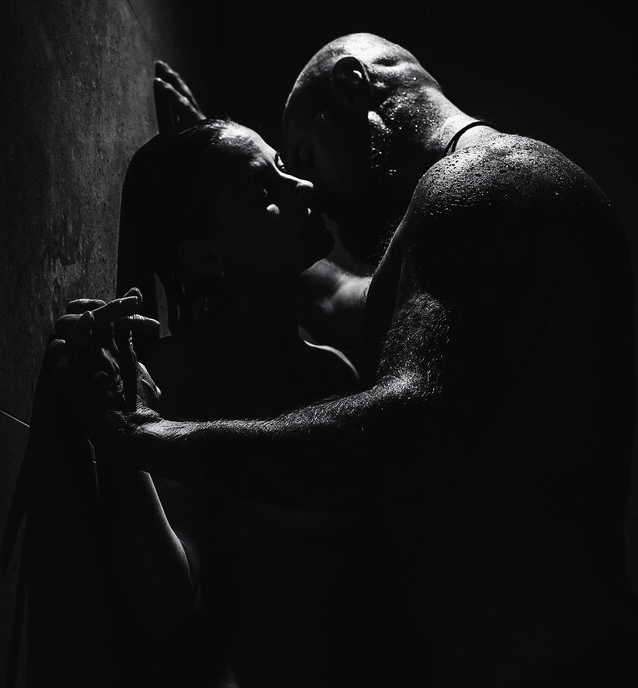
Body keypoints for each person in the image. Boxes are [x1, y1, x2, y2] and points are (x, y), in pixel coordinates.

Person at [54, 33, 637, 687]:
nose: (312, 189)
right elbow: (348, 301)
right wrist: (220, 174)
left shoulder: (482, 186)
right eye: (276, 179)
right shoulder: (485, 197)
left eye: (301, 158)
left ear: (353, 90)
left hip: (538, 658)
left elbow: (405, 430)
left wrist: (148, 437)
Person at [51, 116, 361, 688]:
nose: (305, 186)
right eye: (263, 193)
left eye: (282, 167)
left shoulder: (332, 373)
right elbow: (164, 601)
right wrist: (120, 431)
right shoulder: (178, 382)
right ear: (203, 256)